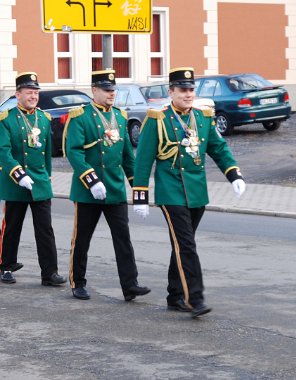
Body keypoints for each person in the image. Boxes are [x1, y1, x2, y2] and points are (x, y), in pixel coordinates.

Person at [132, 67, 246, 318]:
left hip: (196, 191)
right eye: (182, 90)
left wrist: (233, 174)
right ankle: (194, 297)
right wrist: (140, 195)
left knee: (182, 245)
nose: (188, 94)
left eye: (191, 89)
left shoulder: (203, 116)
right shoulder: (157, 118)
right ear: (171, 91)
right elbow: (143, 159)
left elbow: (218, 148)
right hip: (170, 191)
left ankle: (174, 295)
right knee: (187, 245)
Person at [63, 69, 150, 301]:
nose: (111, 94)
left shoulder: (120, 117)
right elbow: (73, 152)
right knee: (82, 239)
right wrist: (91, 180)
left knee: (123, 238)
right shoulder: (80, 116)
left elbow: (127, 159)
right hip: (88, 190)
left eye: (113, 90)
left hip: (113, 189)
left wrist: (139, 192)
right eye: (106, 90)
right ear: (94, 90)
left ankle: (130, 285)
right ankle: (77, 282)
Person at [0, 72, 67, 286]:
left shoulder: (44, 118)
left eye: (36, 92)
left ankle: (49, 273)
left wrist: (47, 176)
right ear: (18, 95)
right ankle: (6, 266)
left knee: (45, 229)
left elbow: (47, 152)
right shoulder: (6, 119)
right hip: (15, 182)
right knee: (12, 227)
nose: (33, 96)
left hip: (39, 182)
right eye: (29, 92)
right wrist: (19, 175)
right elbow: (3, 151)